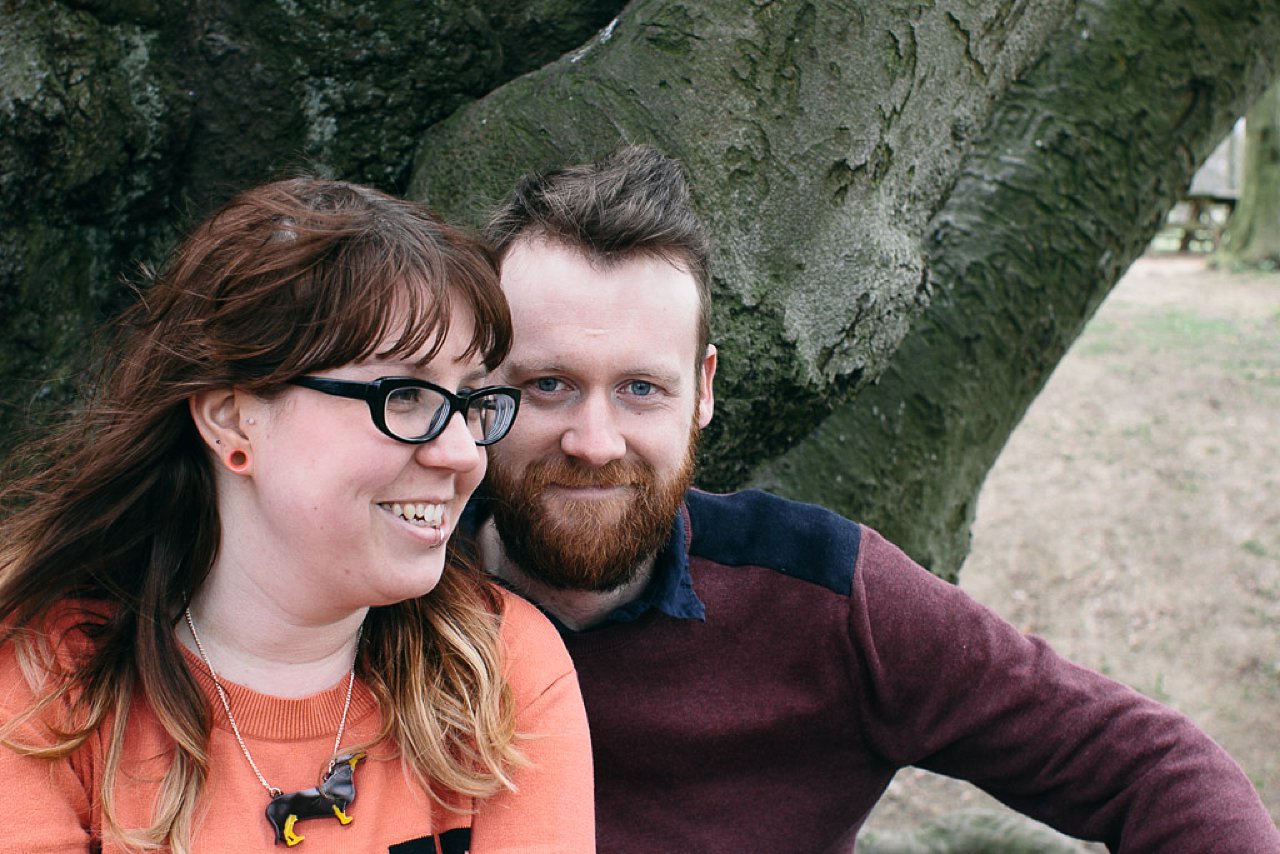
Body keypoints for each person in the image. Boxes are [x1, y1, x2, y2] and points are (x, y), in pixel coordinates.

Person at [464, 146, 1280, 852]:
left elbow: (1150, 765)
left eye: (641, 388)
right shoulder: (390, 596)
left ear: (703, 392)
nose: (595, 440)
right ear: (479, 387)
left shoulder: (826, 597)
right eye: (549, 385)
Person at [0, 178, 594, 852]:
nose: (461, 453)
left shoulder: (501, 670)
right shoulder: (44, 689)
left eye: (470, 399)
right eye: (403, 396)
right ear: (233, 419)